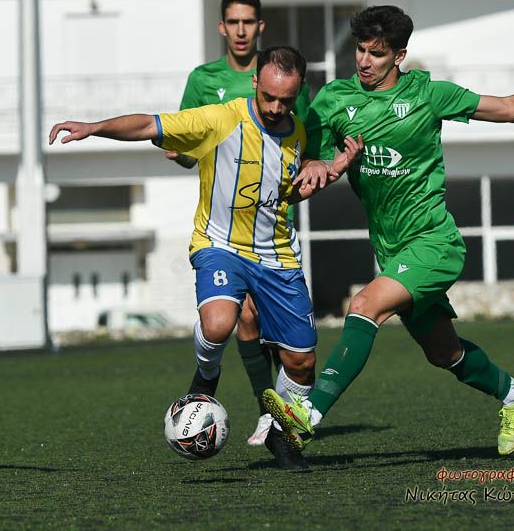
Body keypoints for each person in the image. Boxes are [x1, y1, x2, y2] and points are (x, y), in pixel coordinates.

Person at [263, 5, 514, 458]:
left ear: (399, 55)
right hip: (391, 251)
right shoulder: (333, 99)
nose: (364, 61)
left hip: (434, 243)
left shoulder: (429, 95)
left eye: (376, 53)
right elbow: (313, 164)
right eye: (360, 50)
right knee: (444, 353)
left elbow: (508, 109)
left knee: (364, 306)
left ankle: (308, 415)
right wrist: (323, 166)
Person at [51, 46, 361, 469]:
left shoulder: (298, 135)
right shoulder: (220, 119)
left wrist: (330, 170)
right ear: (255, 81)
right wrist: (94, 127)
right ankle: (205, 379)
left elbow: (287, 195)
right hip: (220, 245)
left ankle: (280, 433)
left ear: (299, 91)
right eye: (268, 96)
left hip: (277, 256)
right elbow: (148, 124)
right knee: (218, 323)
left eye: (285, 100)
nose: (275, 107)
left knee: (302, 362)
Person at [167, 0, 311, 447]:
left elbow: (303, 146)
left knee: (285, 340)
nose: (242, 30)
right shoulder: (204, 80)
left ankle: (278, 414)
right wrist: (180, 152)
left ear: (260, 26)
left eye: (249, 21)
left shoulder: (285, 78)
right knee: (238, 317)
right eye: (234, 22)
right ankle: (265, 412)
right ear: (222, 27)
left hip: (273, 228)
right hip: (225, 227)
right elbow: (186, 145)